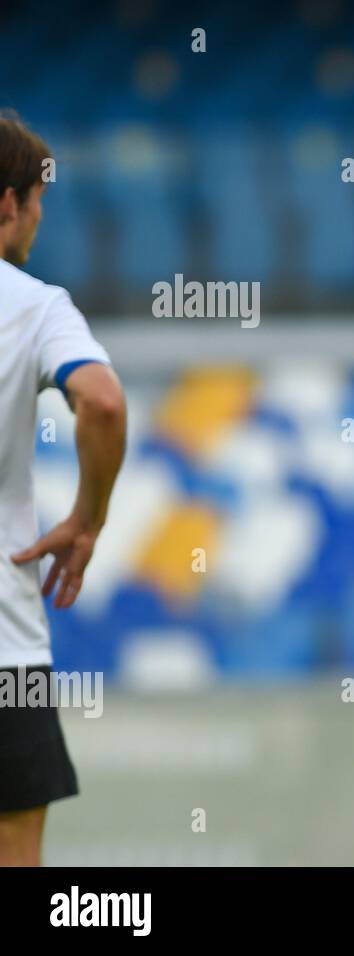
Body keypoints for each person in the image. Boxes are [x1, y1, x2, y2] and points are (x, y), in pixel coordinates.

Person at [0, 111, 126, 866]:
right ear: (6, 204)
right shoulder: (33, 304)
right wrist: (89, 516)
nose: (40, 218)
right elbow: (104, 402)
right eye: (37, 200)